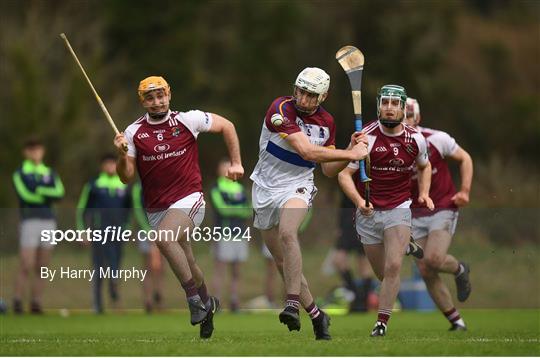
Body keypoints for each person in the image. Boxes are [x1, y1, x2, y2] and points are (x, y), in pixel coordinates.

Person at [113, 75, 244, 339]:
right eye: (150, 98)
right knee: (189, 261)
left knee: (163, 238)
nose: (157, 102)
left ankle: (194, 301)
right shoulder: (132, 132)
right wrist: (121, 154)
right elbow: (126, 177)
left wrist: (236, 162)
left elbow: (227, 126)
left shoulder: (188, 119)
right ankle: (208, 304)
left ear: (169, 95)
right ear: (142, 101)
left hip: (189, 198)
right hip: (156, 208)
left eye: (161, 96)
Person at [250, 67, 368, 340]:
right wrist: (351, 152)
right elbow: (305, 150)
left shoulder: (327, 122)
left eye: (310, 94)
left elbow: (327, 170)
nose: (303, 98)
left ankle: (291, 303)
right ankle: (317, 314)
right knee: (281, 261)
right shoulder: (280, 108)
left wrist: (348, 155)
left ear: (323, 96)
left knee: (288, 233)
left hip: (298, 185)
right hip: (265, 187)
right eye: (300, 91)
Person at [338, 84, 434, 337]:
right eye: (385, 103)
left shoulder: (415, 139)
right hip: (368, 212)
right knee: (383, 274)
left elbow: (424, 167)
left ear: (403, 108)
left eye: (395, 104)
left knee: (393, 267)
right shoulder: (365, 138)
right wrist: (359, 201)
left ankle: (381, 323)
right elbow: (344, 176)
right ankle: (405, 244)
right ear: (379, 105)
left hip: (399, 208)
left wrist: (423, 194)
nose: (389, 108)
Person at [404, 97, 472, 331]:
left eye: (409, 117)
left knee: (432, 258)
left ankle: (460, 269)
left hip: (442, 205)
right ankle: (456, 321)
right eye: (401, 117)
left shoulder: (436, 139)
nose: (405, 122)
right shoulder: (386, 143)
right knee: (425, 269)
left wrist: (464, 190)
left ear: (418, 118)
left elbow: (465, 158)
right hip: (413, 213)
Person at [12, 138, 65, 314]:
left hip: (48, 221)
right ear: (26, 153)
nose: (35, 153)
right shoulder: (20, 173)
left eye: (38, 149)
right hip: (30, 221)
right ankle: (18, 300)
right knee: (26, 263)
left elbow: (59, 193)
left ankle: (36, 302)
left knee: (42, 266)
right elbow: (26, 196)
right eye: (31, 150)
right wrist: (45, 194)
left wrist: (41, 191)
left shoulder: (50, 172)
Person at [76, 154, 131, 314]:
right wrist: (82, 232)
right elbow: (81, 210)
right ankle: (97, 304)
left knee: (116, 266)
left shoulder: (124, 185)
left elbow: (129, 211)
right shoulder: (93, 185)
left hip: (118, 233)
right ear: (102, 166)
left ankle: (115, 297)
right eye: (107, 164)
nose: (110, 167)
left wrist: (126, 229)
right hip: (99, 233)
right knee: (99, 268)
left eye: (113, 164)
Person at [210, 158, 252, 312]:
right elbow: (222, 209)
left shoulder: (239, 188)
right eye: (224, 168)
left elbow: (248, 210)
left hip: (240, 234)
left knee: (236, 271)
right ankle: (216, 303)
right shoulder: (216, 187)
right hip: (223, 233)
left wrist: (238, 211)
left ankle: (234, 302)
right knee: (219, 269)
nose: (228, 170)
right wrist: (238, 211)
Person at [332, 191, 375, 313]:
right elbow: (343, 202)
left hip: (365, 220)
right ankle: (357, 296)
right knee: (339, 260)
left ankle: (363, 302)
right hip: (347, 222)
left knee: (364, 263)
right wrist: (339, 226)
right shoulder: (345, 174)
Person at [132, 181, 165, 313]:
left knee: (161, 267)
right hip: (146, 232)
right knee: (147, 268)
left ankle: (160, 298)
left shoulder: (163, 183)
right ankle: (147, 301)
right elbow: (137, 209)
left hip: (163, 231)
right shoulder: (138, 187)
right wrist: (147, 230)